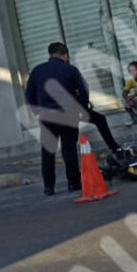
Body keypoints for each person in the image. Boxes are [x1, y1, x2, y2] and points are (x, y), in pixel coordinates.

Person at [25, 42, 88, 196]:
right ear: (65, 55)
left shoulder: (37, 71)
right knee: (69, 150)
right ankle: (73, 183)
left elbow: (29, 94)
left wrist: (36, 110)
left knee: (47, 152)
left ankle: (49, 187)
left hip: (47, 116)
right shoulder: (70, 70)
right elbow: (83, 92)